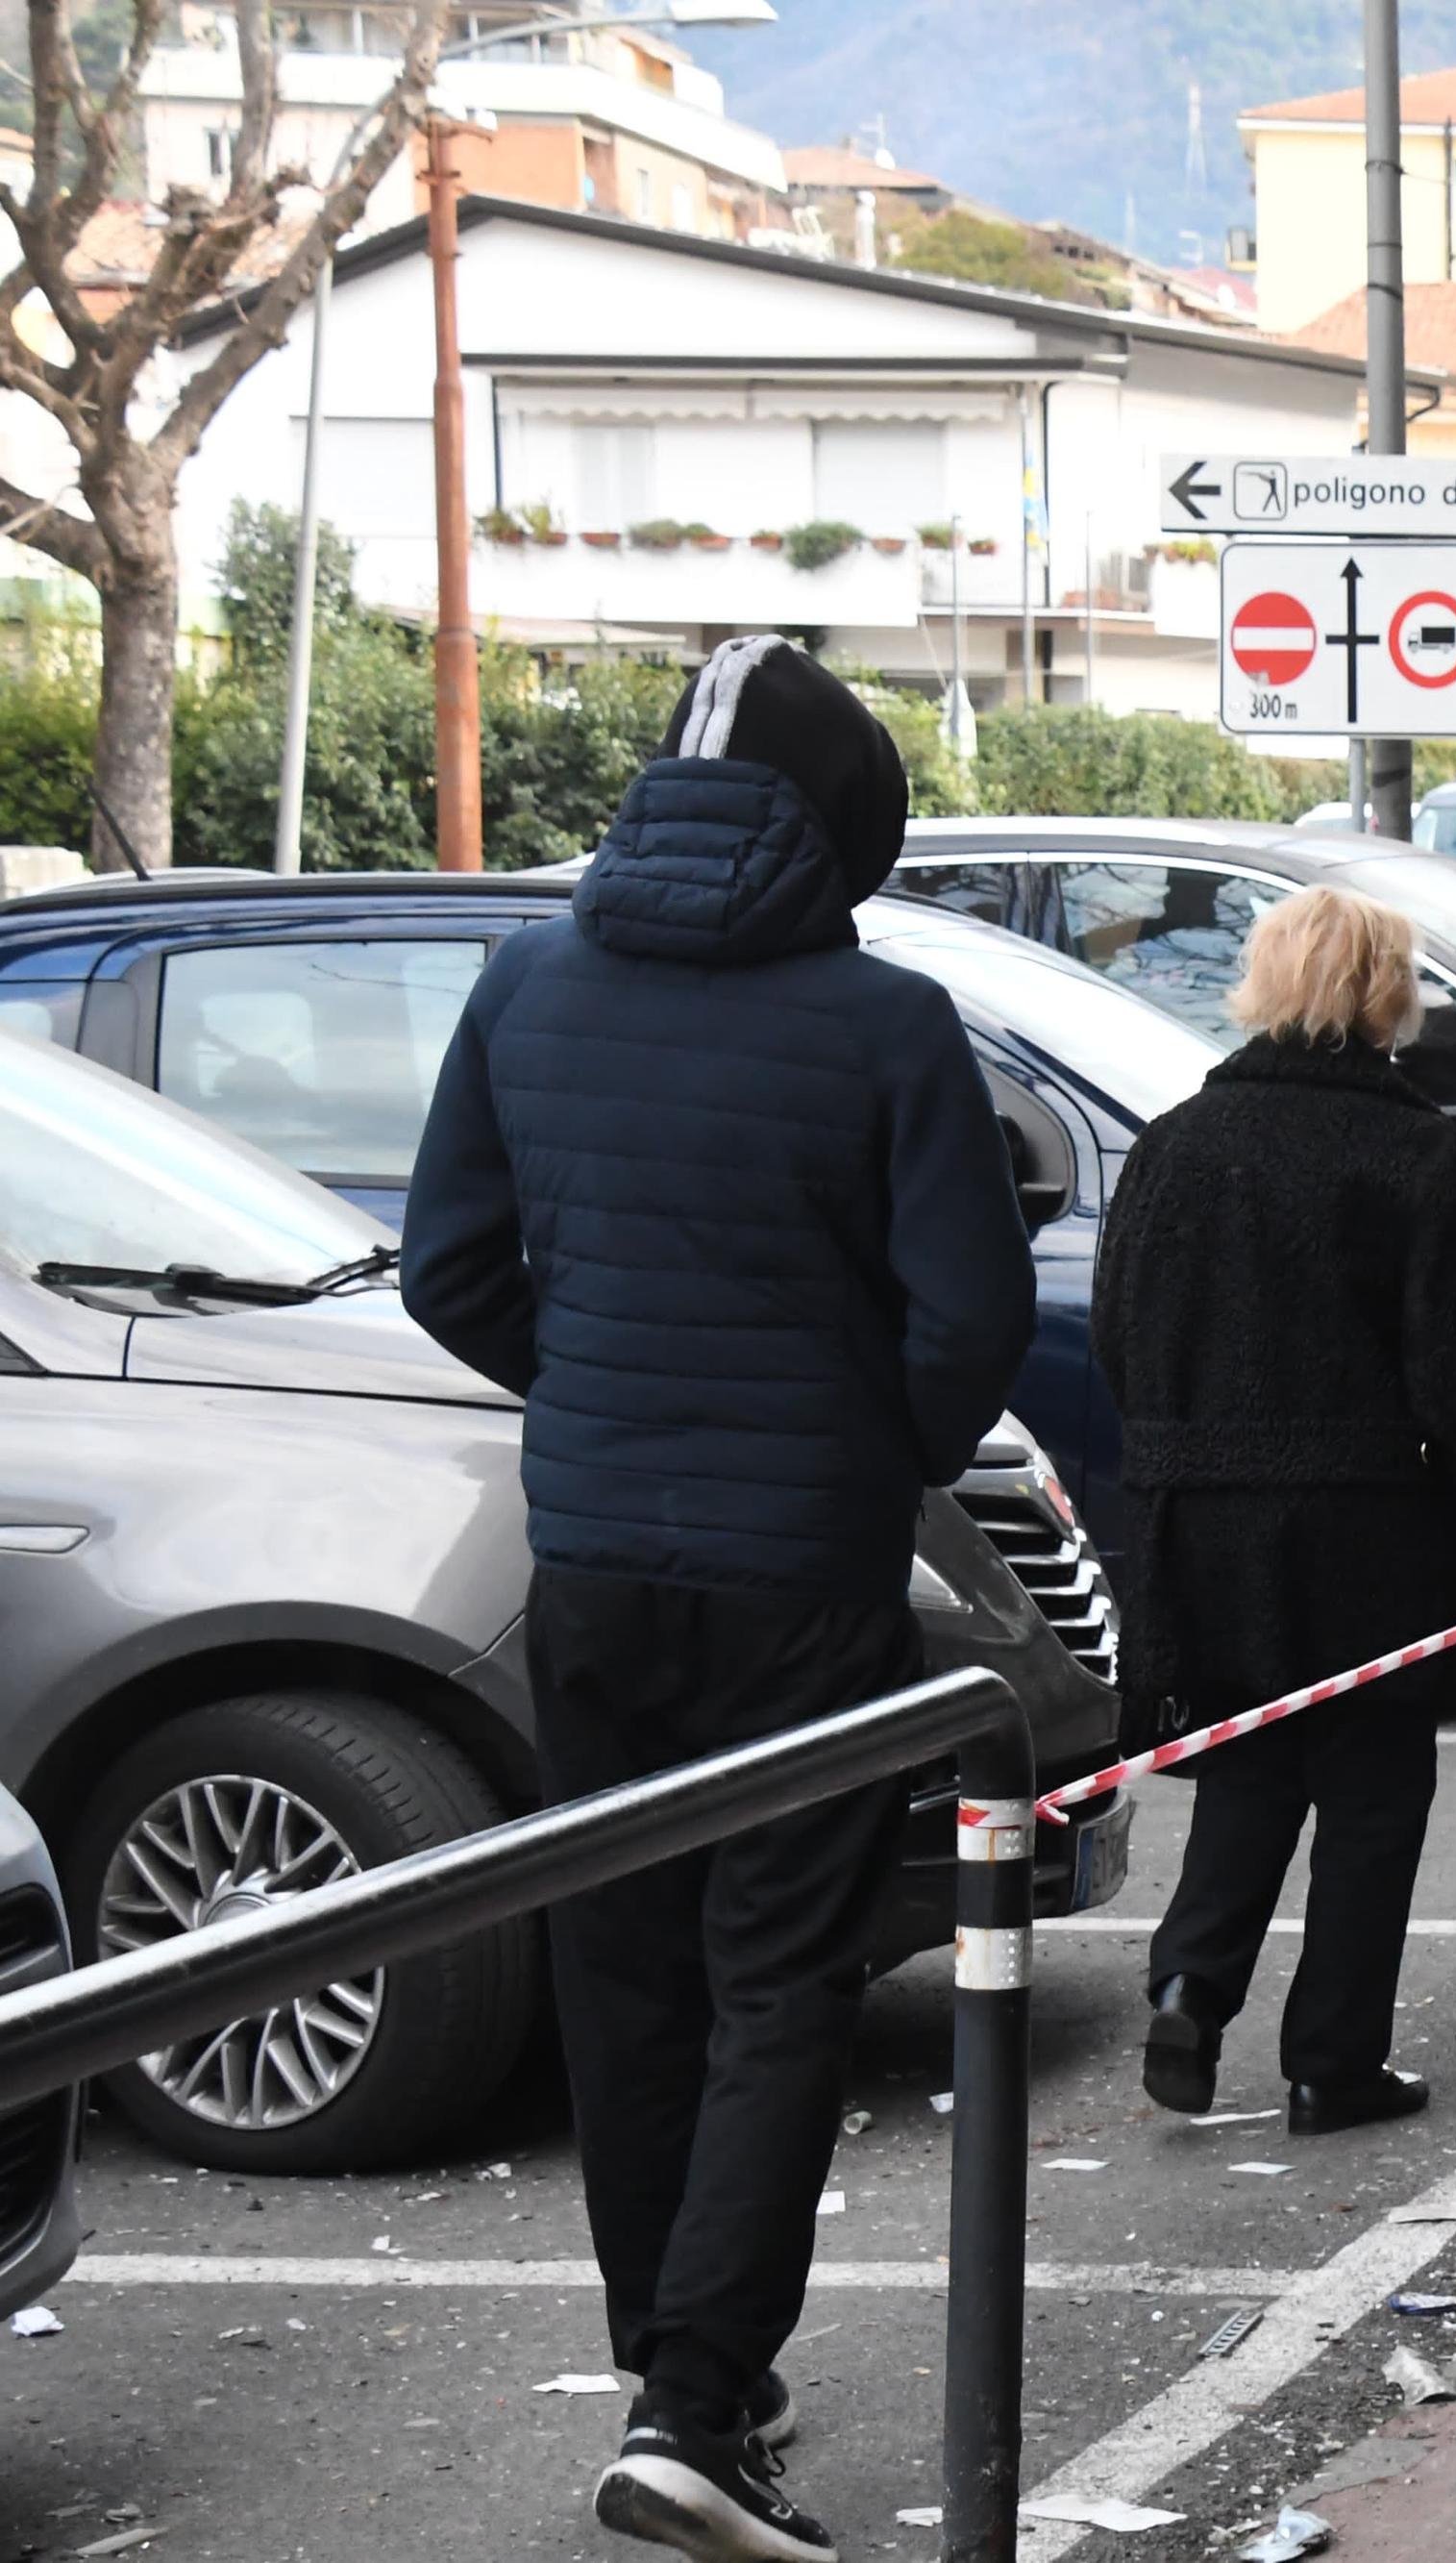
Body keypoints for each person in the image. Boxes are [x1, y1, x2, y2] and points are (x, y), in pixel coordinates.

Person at [403, 635, 1037, 2563]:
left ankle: (674, 2377)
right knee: (779, 1980)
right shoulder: (886, 1026)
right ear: (844, 820)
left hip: (588, 1562)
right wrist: (857, 1445)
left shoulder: (525, 982)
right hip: (800, 1577)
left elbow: (450, 1267)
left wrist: (597, 1388)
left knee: (625, 1978)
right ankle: (697, 2403)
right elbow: (972, 1323)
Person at [1098, 888, 1456, 2131]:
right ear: (1385, 993)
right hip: (1364, 1515)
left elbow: (1122, 1336)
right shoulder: (1405, 1149)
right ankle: (1332, 2060)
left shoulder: (1178, 1142)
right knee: (1374, 1784)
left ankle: (1191, 1979)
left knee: (1248, 1755)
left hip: (1202, 1511)